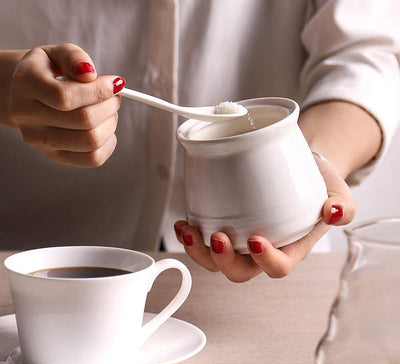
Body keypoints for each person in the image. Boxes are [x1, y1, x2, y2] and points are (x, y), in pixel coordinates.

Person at [0, 0, 399, 282]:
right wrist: (7, 88)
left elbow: (364, 57)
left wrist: (311, 165)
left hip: (270, 295)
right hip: (34, 269)